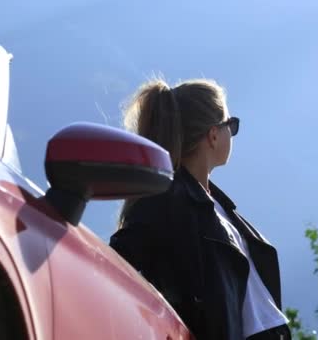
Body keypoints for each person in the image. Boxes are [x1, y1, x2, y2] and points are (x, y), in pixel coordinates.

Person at [109, 78, 291, 340]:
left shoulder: (215, 205)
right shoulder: (166, 200)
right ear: (213, 134)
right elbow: (118, 263)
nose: (233, 133)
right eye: (231, 124)